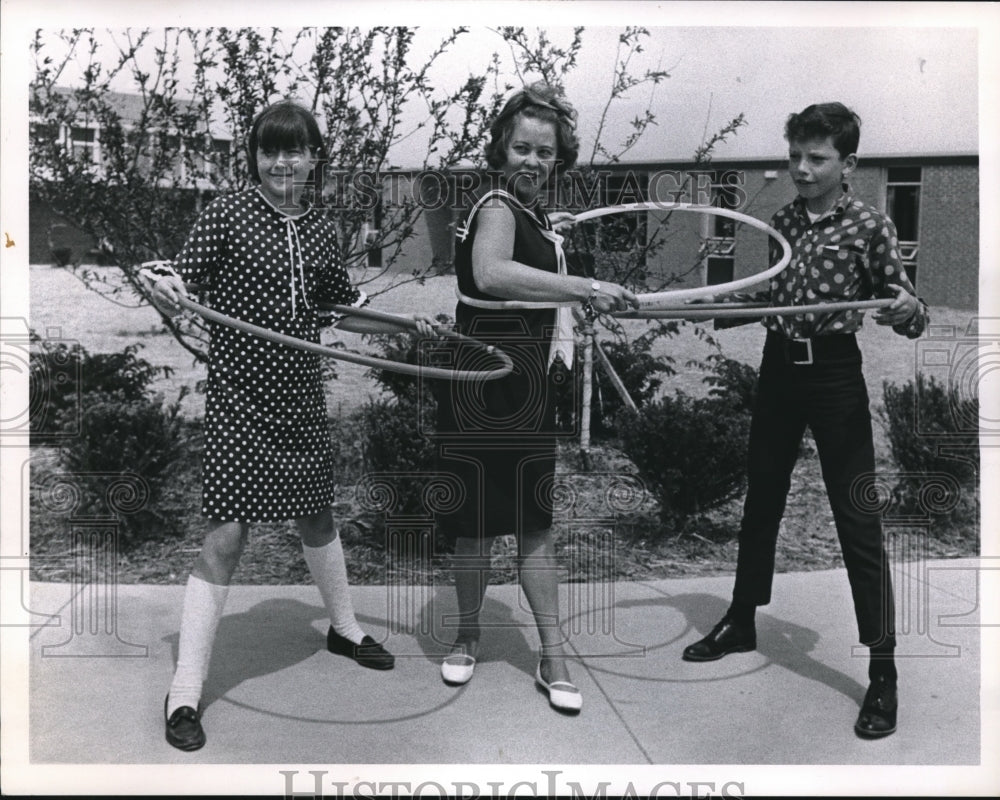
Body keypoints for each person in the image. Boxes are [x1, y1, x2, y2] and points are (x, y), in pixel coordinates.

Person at [144, 100, 436, 751]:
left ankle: (345, 629)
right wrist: (161, 280)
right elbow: (177, 278)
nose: (282, 162)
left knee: (317, 518)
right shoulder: (227, 214)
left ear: (313, 158)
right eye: (269, 150)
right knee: (225, 538)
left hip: (299, 398)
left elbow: (339, 309)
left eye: (294, 150)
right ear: (254, 157)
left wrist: (408, 325)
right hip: (241, 400)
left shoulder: (321, 229)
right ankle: (184, 691)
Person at [680, 102, 928, 739]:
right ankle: (741, 620)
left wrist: (908, 309)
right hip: (779, 370)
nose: (802, 168)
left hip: (835, 376)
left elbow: (905, 303)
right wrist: (715, 306)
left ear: (849, 164)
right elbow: (778, 295)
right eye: (795, 156)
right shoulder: (785, 221)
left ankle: (882, 669)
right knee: (761, 500)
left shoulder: (870, 225)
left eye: (817, 158)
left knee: (857, 518)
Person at [433, 83, 638, 713]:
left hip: (523, 383)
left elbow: (524, 260)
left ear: (558, 158)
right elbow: (491, 272)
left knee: (533, 523)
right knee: (476, 526)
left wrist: (552, 240)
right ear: (501, 149)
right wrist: (585, 286)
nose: (533, 160)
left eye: (545, 152)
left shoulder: (532, 215)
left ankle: (552, 655)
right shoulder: (498, 205)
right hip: (482, 381)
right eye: (522, 148)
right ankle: (469, 635)